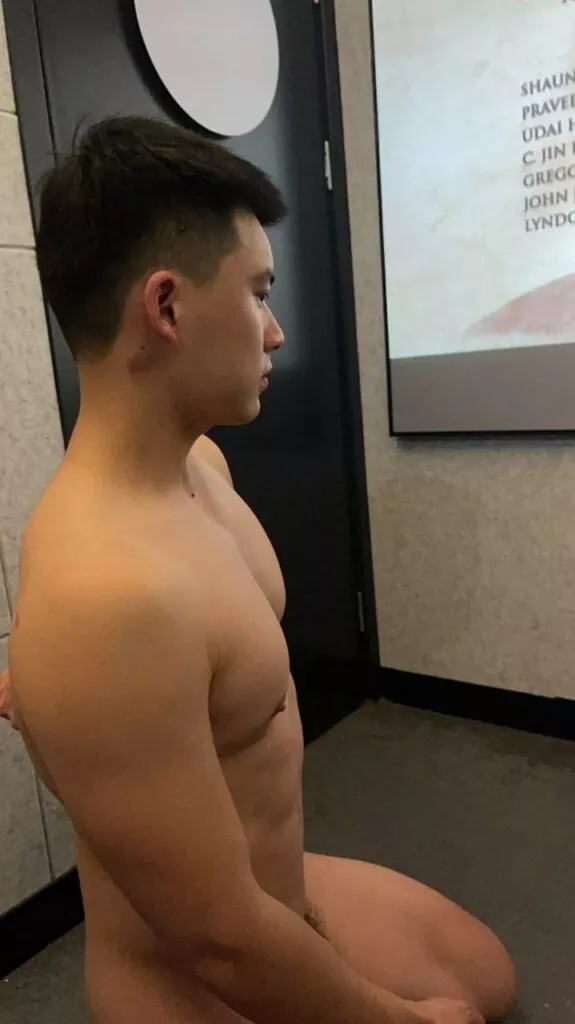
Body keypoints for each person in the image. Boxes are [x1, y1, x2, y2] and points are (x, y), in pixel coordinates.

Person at [5, 117, 515, 1024]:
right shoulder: (104, 596)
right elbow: (216, 938)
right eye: (257, 294)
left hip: (265, 893)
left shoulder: (200, 468)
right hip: (195, 960)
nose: (275, 333)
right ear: (166, 308)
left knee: (484, 976)